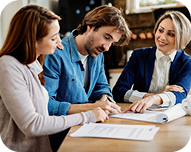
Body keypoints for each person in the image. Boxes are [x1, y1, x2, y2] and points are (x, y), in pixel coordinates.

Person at [0, 5, 109, 152]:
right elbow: (32, 125)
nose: (59, 42)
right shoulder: (8, 65)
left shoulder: (32, 65)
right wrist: (87, 116)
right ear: (33, 39)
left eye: (58, 35)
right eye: (53, 37)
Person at [112, 10, 191, 113]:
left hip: (169, 117)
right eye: (160, 30)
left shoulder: (187, 62)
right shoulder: (139, 56)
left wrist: (154, 99)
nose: (162, 38)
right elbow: (118, 91)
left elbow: (180, 95)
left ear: (182, 38)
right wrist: (152, 96)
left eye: (171, 34)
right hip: (138, 114)